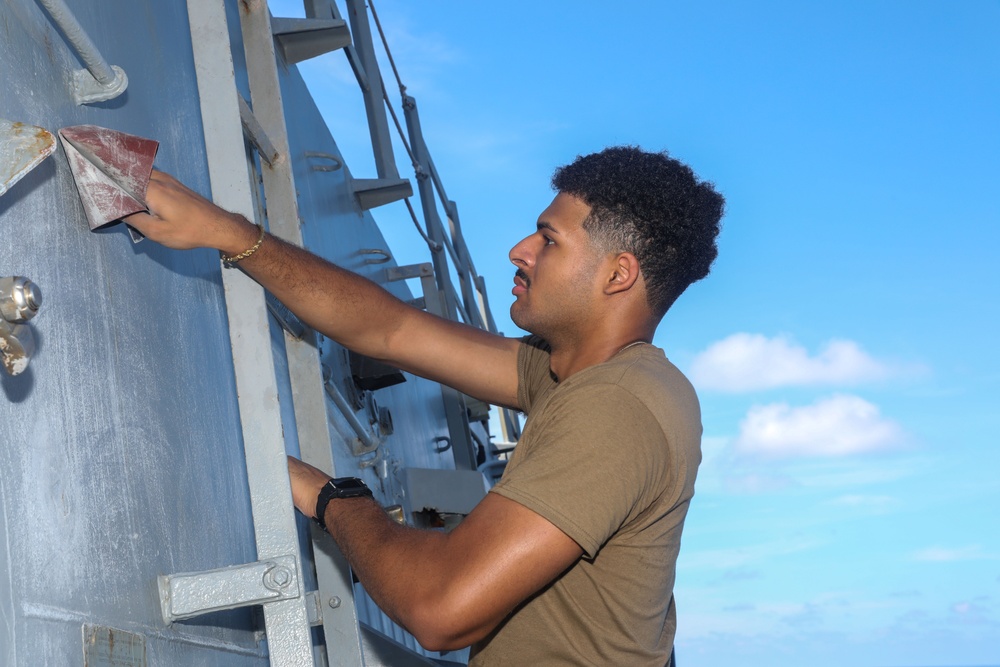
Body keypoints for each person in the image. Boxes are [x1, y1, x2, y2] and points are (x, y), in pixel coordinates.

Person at [126, 145, 724, 665]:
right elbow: (392, 332)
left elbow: (441, 608)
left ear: (618, 275)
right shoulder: (566, 370)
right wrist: (228, 232)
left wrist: (334, 498)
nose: (520, 250)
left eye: (548, 239)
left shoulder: (617, 405)